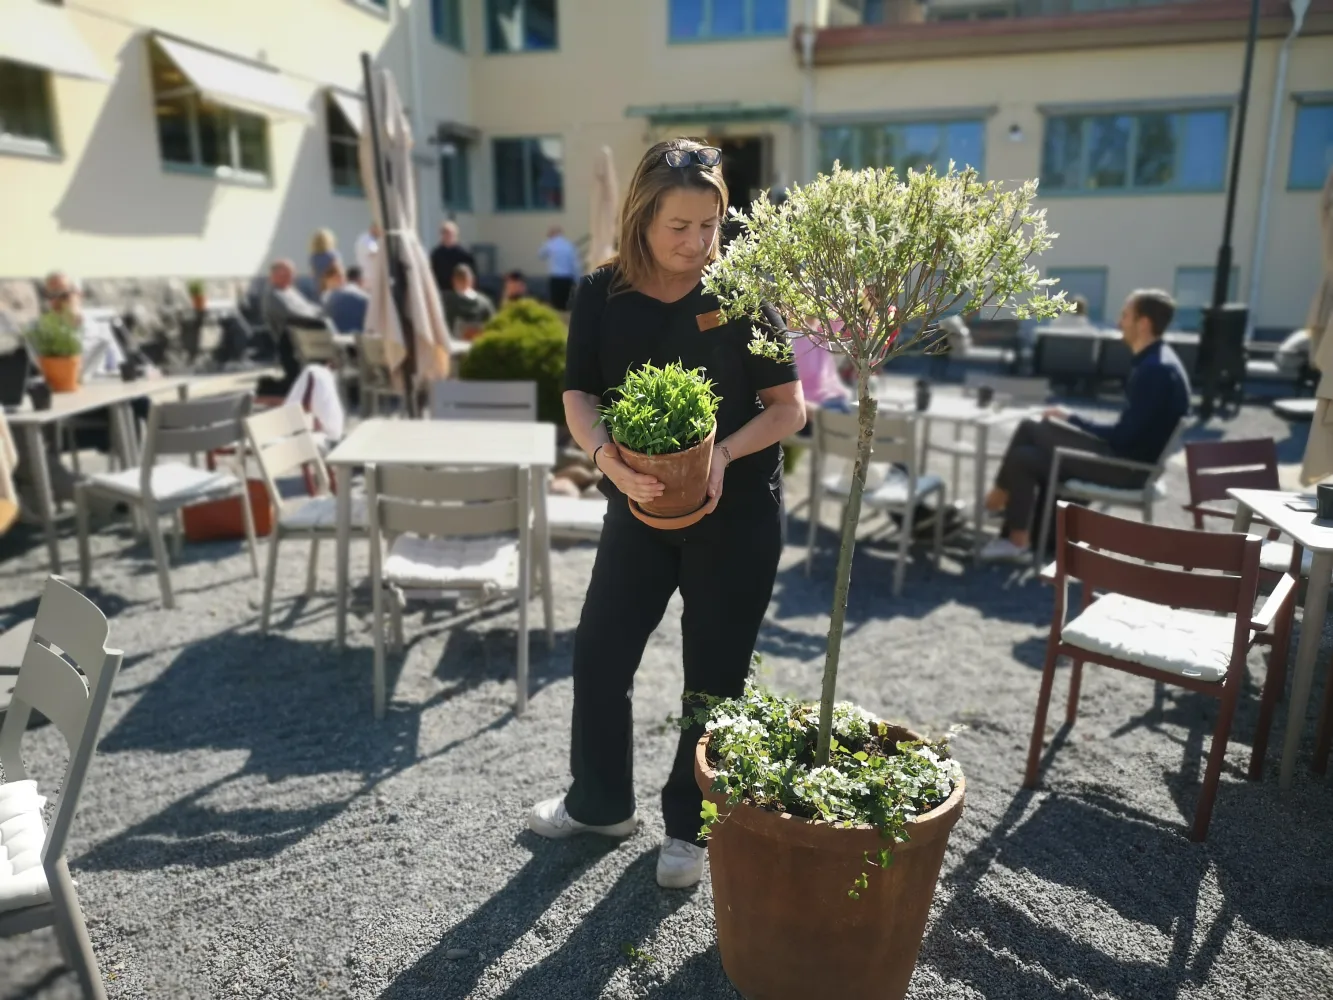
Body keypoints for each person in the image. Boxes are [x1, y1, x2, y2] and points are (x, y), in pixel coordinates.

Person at [528, 138, 806, 891]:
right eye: (679, 226)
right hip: (638, 508)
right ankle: (599, 805)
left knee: (712, 679)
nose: (696, 243)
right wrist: (603, 455)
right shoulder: (600, 292)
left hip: (737, 514)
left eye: (710, 225)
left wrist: (722, 455)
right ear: (641, 216)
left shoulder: (742, 290)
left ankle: (690, 828)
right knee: (599, 657)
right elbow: (580, 393)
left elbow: (789, 411)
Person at [980, 289, 1191, 562]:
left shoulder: (1155, 370)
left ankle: (993, 502)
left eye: (1125, 315)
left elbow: (1122, 438)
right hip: (1130, 461)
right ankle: (1016, 539)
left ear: (1144, 324)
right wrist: (1073, 423)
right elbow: (1129, 432)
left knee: (1032, 427)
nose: (1118, 322)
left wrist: (1074, 420)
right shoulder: (1160, 361)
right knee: (1024, 457)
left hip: (1128, 469)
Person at [262, 259, 329, 394]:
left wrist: (321, 312)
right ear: (275, 275)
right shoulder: (274, 295)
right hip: (294, 343)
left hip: (309, 337)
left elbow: (309, 307)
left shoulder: (289, 290)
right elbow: (294, 315)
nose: (292, 277)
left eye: (292, 274)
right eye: (286, 274)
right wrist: (318, 315)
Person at [442, 263, 496, 335]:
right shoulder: (484, 301)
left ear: (453, 281)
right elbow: (493, 324)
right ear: (472, 280)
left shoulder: (446, 300)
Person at [539, 226, 580, 310]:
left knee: (556, 302)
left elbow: (541, 255)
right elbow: (575, 263)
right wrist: (577, 278)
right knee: (566, 301)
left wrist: (547, 241)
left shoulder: (550, 244)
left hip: (555, 277)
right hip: (567, 277)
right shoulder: (568, 245)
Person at [429, 221, 475, 296]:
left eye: (450, 234)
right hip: (442, 291)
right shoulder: (436, 254)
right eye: (445, 233)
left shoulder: (464, 254)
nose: (448, 236)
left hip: (460, 292)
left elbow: (471, 274)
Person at [322, 262, 369, 334]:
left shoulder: (326, 298)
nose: (341, 279)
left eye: (342, 276)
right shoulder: (353, 294)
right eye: (338, 276)